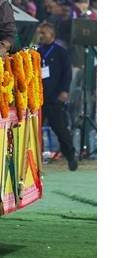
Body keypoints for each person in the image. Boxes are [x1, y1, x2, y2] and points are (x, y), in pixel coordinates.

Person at [36, 21, 78, 171]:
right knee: (35, 131)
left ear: (52, 35)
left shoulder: (61, 52)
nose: (41, 36)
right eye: (40, 33)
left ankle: (71, 156)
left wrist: (64, 91)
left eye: (44, 33)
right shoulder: (37, 52)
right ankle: (35, 160)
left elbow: (67, 74)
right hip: (39, 99)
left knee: (61, 131)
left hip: (55, 98)